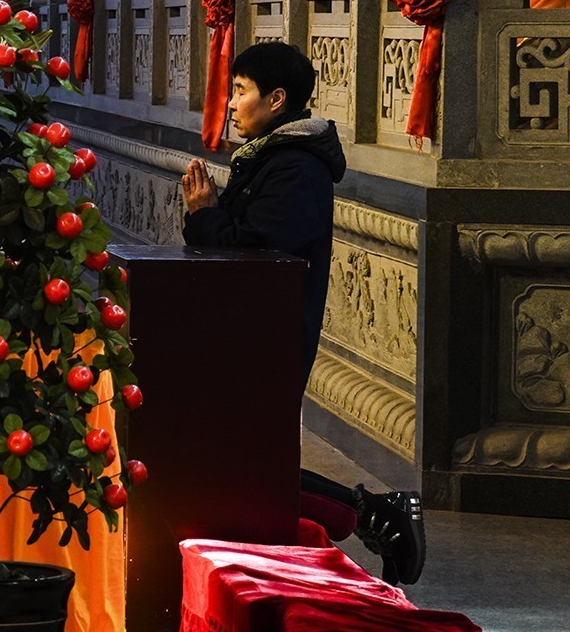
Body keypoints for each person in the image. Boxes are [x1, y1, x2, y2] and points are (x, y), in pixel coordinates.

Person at [181, 41, 426, 586]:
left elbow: (257, 250)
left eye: (240, 92)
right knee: (235, 461)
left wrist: (203, 216)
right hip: (251, 332)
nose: (230, 104)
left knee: (245, 464)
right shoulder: (272, 157)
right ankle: (375, 514)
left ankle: (375, 513)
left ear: (277, 99)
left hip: (270, 337)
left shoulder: (295, 168)